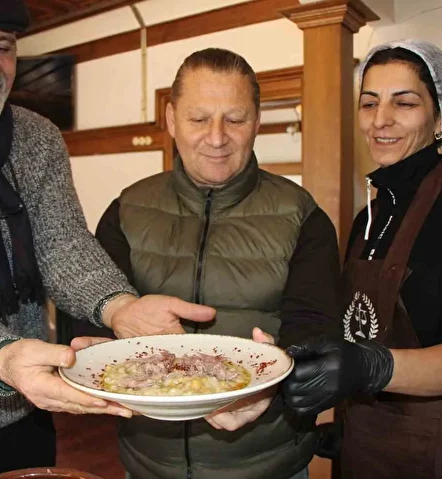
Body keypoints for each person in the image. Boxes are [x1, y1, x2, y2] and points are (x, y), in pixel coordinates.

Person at [0, 1, 214, 478]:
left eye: (4, 47)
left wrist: (119, 307)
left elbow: (63, 246)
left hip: (26, 406)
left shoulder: (38, 136)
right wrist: (0, 357)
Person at [79, 48, 342, 479]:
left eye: (234, 119)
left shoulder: (303, 216)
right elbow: (94, 314)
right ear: (171, 119)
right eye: (199, 118)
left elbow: (317, 334)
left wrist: (272, 386)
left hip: (267, 462)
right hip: (148, 461)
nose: (216, 138)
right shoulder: (126, 210)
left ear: (257, 122)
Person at [282, 40, 442, 478]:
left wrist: (373, 366)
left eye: (404, 102)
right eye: (369, 103)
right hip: (363, 449)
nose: (381, 119)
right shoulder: (367, 218)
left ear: (439, 117)